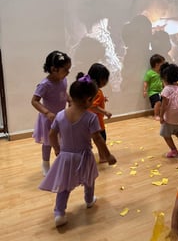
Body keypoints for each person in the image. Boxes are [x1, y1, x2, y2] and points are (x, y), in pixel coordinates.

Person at [39, 74, 117, 227]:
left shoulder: (61, 115)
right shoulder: (91, 118)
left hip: (66, 156)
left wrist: (56, 149)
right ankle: (89, 200)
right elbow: (98, 139)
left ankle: (59, 213)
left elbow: (52, 134)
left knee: (64, 186)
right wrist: (108, 156)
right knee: (89, 179)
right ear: (88, 100)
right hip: (84, 156)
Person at [31, 51, 71, 176]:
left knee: (63, 140)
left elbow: (64, 93)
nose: (68, 73)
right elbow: (34, 101)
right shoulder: (45, 85)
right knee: (48, 143)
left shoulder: (63, 80)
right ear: (54, 69)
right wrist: (47, 112)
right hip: (49, 119)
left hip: (61, 117)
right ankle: (45, 163)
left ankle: (62, 161)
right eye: (65, 70)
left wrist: (70, 100)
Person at [159, 62, 178, 158]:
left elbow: (164, 105)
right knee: (177, 131)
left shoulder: (167, 89)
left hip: (170, 117)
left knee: (165, 134)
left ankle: (174, 150)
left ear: (165, 78)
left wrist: (161, 116)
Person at [87, 63, 112, 163]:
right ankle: (102, 157)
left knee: (92, 138)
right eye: (105, 79)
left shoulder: (92, 89)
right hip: (96, 120)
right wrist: (105, 112)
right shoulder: (96, 91)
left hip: (90, 119)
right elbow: (92, 106)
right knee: (101, 139)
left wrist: (103, 99)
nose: (106, 82)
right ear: (100, 79)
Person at [143, 54, 165, 120]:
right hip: (153, 92)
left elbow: (163, 81)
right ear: (157, 64)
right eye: (162, 63)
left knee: (164, 102)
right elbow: (145, 82)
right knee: (158, 102)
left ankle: (162, 114)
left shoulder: (161, 73)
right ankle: (156, 115)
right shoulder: (149, 73)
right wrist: (144, 90)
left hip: (161, 91)